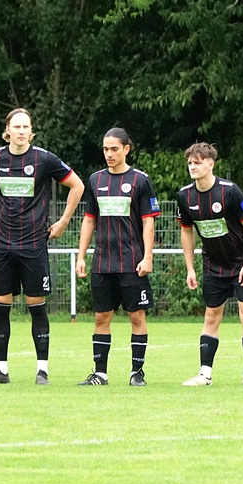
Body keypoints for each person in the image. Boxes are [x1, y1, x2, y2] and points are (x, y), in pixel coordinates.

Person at [0, 108, 85, 385]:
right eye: (17, 127)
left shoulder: (44, 159)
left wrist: (63, 221)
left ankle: (42, 371)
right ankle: (0, 370)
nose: (21, 131)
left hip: (34, 244)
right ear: (7, 130)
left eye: (26, 127)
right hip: (2, 245)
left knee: (37, 306)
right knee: (0, 306)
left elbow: (77, 185)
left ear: (31, 131)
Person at [76, 128, 161, 386]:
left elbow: (148, 222)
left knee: (136, 317)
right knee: (101, 317)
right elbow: (89, 220)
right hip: (103, 262)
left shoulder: (140, 181)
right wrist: (81, 256)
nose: (109, 154)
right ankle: (100, 373)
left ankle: (137, 373)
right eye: (105, 149)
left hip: (132, 261)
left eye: (114, 149)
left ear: (126, 149)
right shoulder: (95, 180)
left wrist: (148, 256)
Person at [176, 142, 243, 387]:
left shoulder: (230, 191)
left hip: (241, 263)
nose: (193, 166)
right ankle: (205, 374)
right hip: (213, 266)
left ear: (211, 164)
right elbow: (186, 231)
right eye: (190, 162)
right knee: (211, 315)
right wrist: (190, 268)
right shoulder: (185, 196)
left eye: (198, 162)